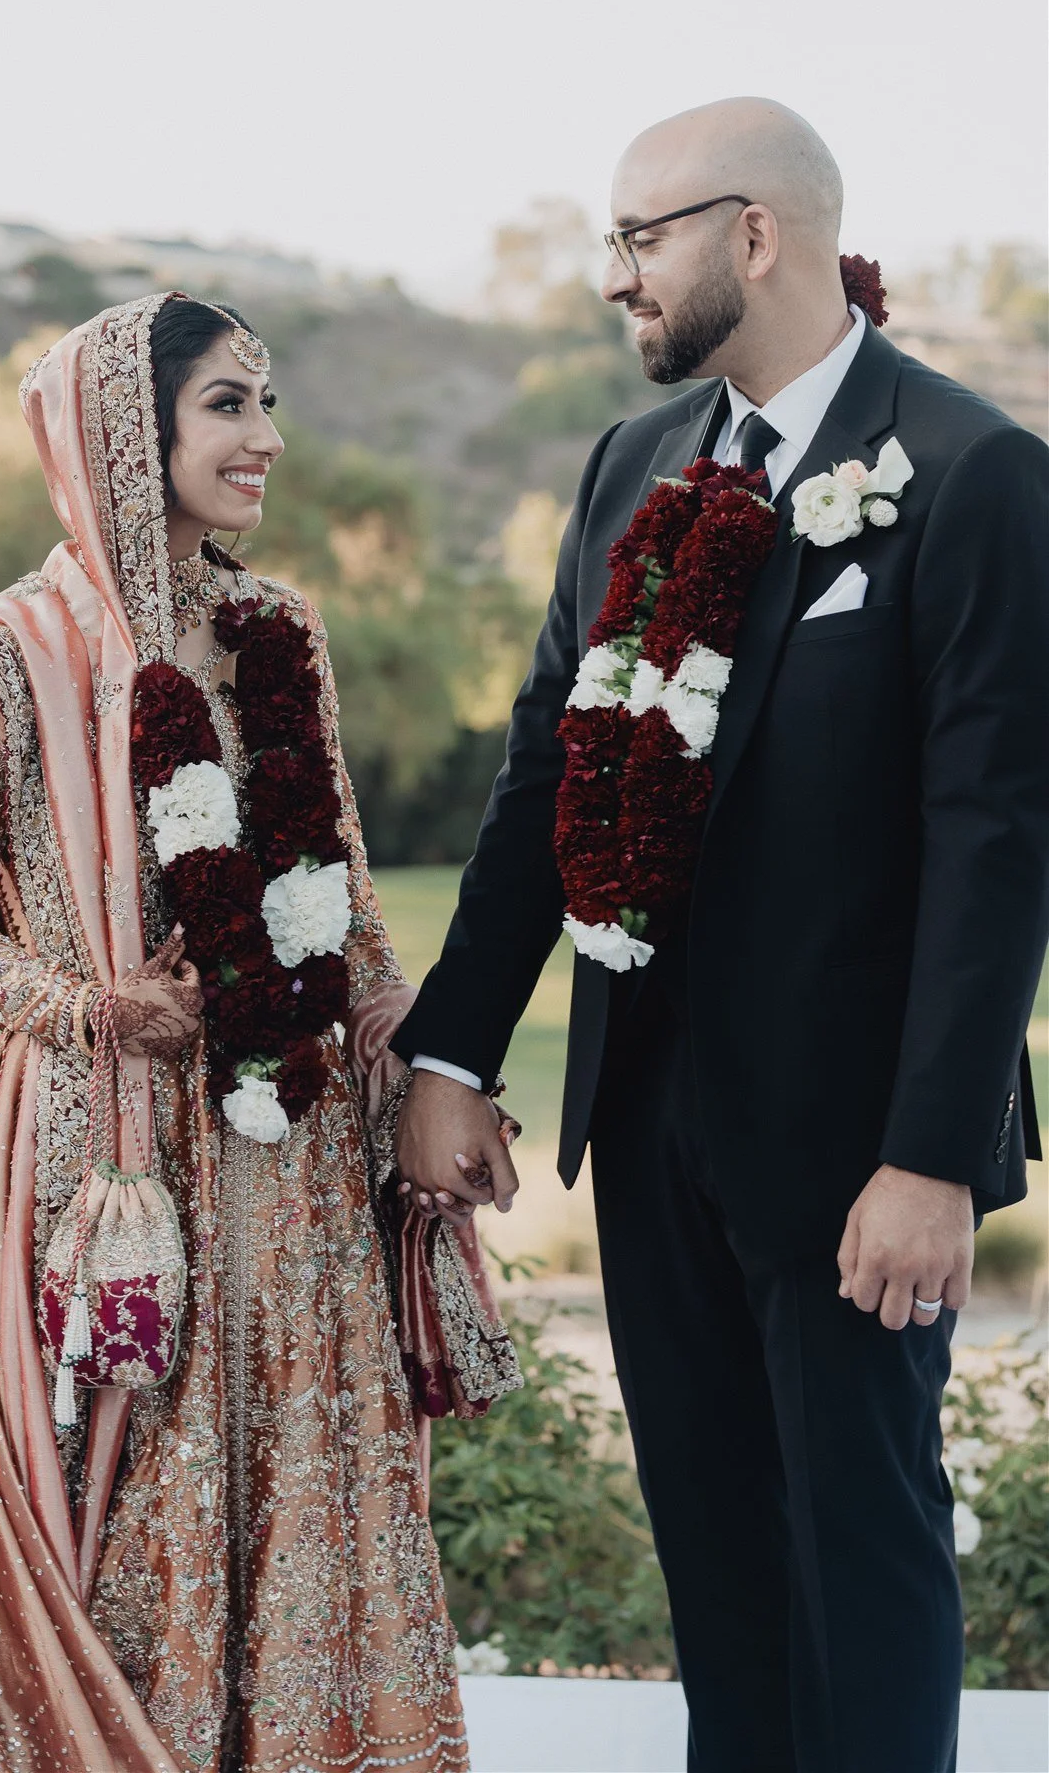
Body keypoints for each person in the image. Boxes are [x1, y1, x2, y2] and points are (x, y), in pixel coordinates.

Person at [0, 293, 519, 1773]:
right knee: (112, 1493)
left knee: (299, 1481)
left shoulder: (273, 628)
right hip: (101, 1166)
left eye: (267, 403)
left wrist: (423, 1059)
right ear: (131, 429)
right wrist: (93, 1007)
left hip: (293, 1156)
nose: (268, 440)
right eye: (230, 406)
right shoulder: (10, 649)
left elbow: (347, 901)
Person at [392, 98, 1049, 1773]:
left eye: (639, 236)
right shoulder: (632, 465)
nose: (615, 277)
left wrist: (930, 1157)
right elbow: (546, 766)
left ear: (754, 234)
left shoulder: (976, 476)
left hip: (856, 1147)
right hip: (649, 1114)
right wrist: (452, 1051)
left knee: (861, 1550)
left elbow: (997, 849)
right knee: (719, 1567)